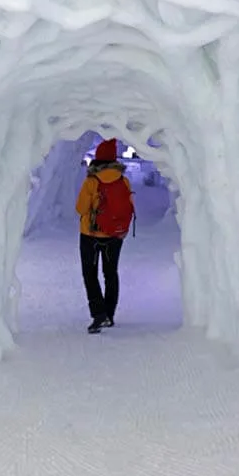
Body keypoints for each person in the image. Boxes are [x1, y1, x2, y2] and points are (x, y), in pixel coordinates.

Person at [75, 138, 135, 333]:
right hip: (114, 235)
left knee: (90, 274)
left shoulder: (91, 181)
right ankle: (109, 314)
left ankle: (98, 314)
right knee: (110, 274)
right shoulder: (123, 180)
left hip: (90, 235)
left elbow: (80, 208)